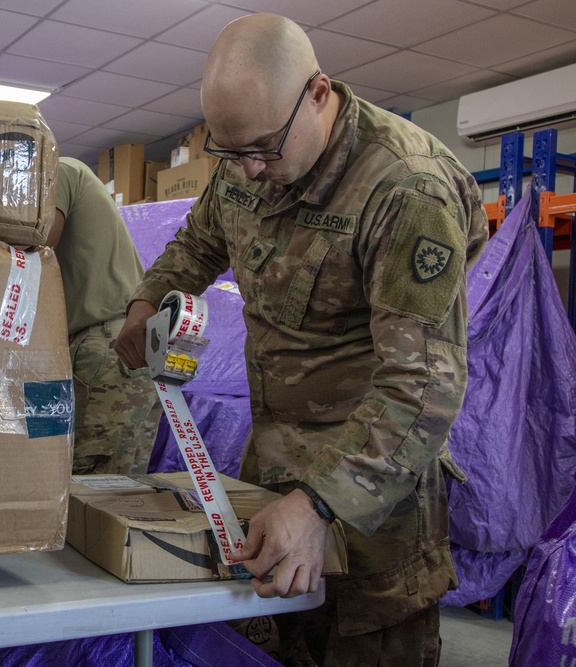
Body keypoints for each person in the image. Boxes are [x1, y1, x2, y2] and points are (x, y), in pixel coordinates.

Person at [114, 13, 488, 667]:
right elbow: (201, 237)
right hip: (275, 484)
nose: (251, 170)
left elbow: (423, 386)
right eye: (232, 153)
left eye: (263, 148)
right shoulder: (247, 159)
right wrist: (149, 301)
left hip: (373, 507)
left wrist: (320, 503)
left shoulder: (404, 188)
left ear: (319, 94)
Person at [49, 156, 161, 475]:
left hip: (105, 346)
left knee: (90, 489)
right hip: (132, 344)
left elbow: (35, 250)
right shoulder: (77, 174)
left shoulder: (58, 171)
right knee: (121, 490)